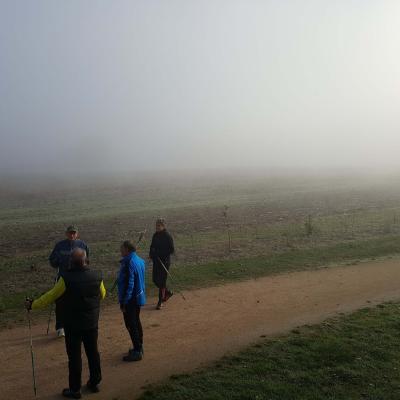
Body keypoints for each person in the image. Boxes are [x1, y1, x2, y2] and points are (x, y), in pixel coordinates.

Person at [26, 248, 106, 399]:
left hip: (73, 325)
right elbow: (103, 294)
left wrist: (33, 304)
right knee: (93, 352)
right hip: (91, 323)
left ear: (71, 262)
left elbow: (50, 296)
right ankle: (95, 382)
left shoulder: (66, 279)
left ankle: (75, 390)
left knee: (74, 357)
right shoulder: (97, 276)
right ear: (86, 260)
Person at [49, 225, 90, 337]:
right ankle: (60, 327)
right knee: (60, 302)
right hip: (63, 278)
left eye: (74, 233)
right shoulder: (60, 246)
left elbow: (87, 260)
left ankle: (76, 323)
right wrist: (57, 260)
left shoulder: (82, 245)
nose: (72, 235)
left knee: (77, 301)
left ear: (77, 234)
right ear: (66, 234)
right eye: (70, 233)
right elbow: (52, 261)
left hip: (77, 278)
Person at [118, 240, 146, 362]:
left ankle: (137, 350)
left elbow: (130, 284)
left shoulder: (129, 262)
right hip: (138, 297)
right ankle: (139, 346)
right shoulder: (139, 260)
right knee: (136, 322)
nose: (120, 250)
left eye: (122, 249)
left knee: (131, 324)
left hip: (130, 299)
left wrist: (124, 301)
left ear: (127, 249)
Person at [149, 218, 175, 309]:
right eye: (156, 225)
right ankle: (167, 292)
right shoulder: (155, 235)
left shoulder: (167, 236)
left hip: (165, 262)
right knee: (155, 280)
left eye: (159, 225)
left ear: (163, 226)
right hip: (156, 261)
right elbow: (152, 247)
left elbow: (171, 250)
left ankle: (160, 302)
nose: (157, 227)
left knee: (162, 282)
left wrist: (160, 253)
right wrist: (151, 255)